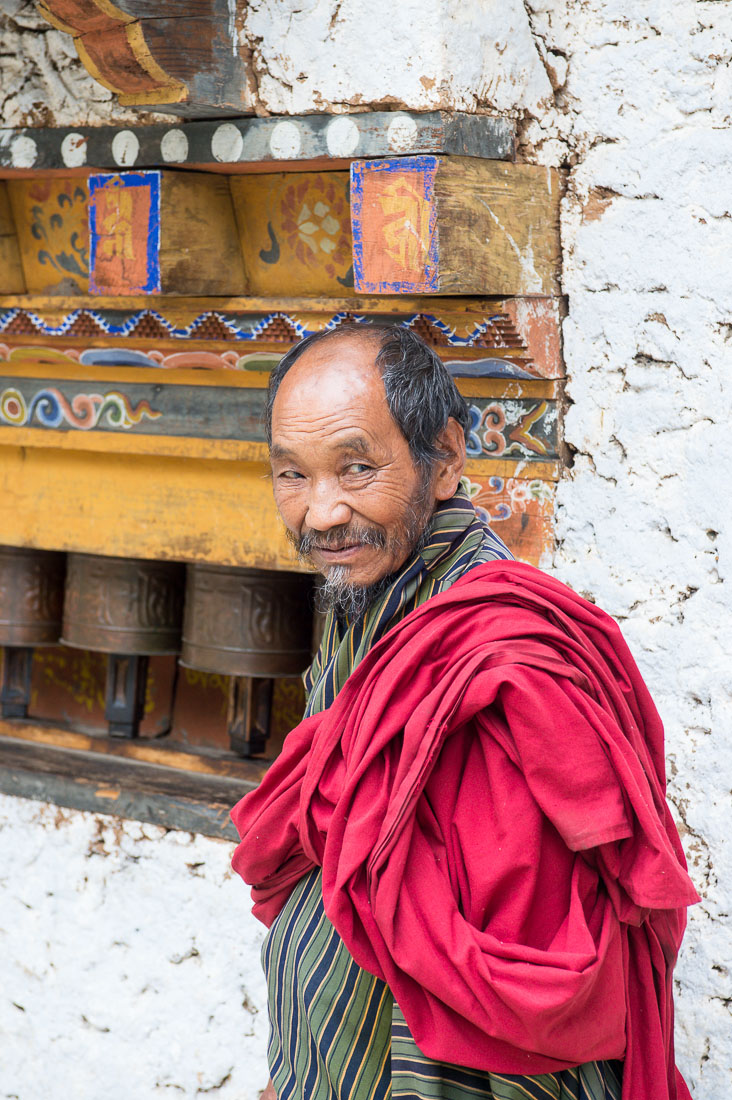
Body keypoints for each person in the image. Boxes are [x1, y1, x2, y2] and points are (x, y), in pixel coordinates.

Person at [231, 324, 698, 1100]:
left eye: (355, 467)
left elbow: (502, 967)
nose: (319, 512)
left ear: (444, 457)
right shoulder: (368, 602)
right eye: (292, 474)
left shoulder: (504, 657)